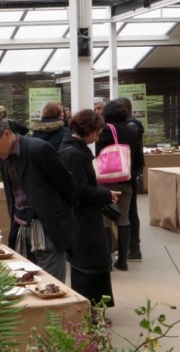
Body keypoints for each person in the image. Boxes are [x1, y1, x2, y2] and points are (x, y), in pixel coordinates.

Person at [0, 114, 77, 282]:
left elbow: (67, 185)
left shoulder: (39, 149)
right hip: (21, 226)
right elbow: (12, 192)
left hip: (48, 227)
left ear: (7, 134)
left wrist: (56, 214)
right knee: (25, 280)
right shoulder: (2, 159)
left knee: (51, 285)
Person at [59, 110, 118, 306]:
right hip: (82, 218)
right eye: (97, 132)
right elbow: (80, 190)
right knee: (90, 264)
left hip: (82, 215)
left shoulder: (71, 149)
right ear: (88, 130)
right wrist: (106, 194)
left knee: (91, 262)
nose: (97, 137)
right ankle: (90, 308)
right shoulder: (74, 154)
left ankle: (94, 307)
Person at [97, 99, 143, 271]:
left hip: (107, 180)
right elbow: (138, 157)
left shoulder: (104, 131)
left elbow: (97, 155)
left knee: (106, 220)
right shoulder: (132, 131)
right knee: (123, 218)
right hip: (126, 180)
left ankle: (107, 260)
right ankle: (123, 260)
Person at [118, 97, 145, 262]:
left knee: (130, 211)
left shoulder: (131, 126)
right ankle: (132, 247)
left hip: (129, 173)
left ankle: (134, 247)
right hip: (131, 172)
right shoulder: (132, 125)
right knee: (129, 211)